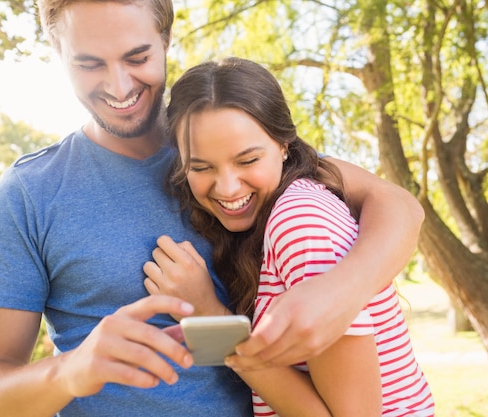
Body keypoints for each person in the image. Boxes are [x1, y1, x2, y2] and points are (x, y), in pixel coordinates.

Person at [0, 1, 424, 417]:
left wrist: (341, 291)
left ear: (165, 39)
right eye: (88, 64)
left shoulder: (236, 147)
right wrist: (68, 372)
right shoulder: (28, 196)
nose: (119, 84)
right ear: (58, 57)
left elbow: (398, 206)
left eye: (137, 57)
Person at [145, 57, 434, 416]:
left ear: (284, 144)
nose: (227, 187)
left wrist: (208, 315)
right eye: (201, 167)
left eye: (247, 160)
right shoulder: (278, 214)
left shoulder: (300, 223)